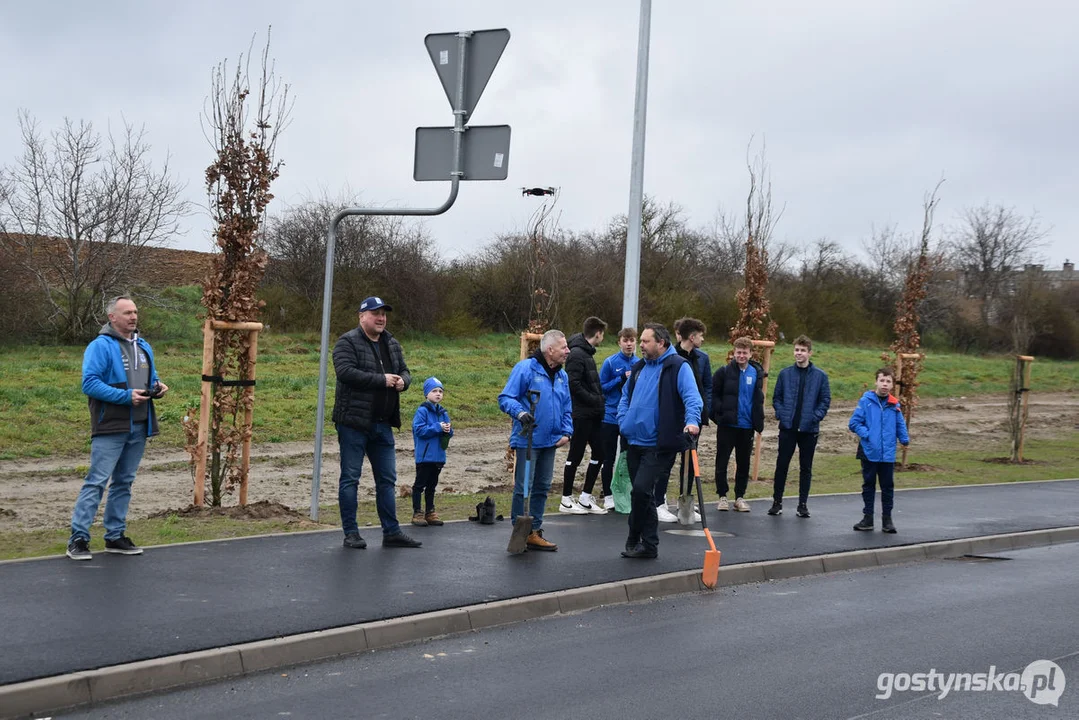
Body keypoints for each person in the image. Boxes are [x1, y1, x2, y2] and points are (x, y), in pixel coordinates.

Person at [66, 296, 168, 561]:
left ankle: (115, 536)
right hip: (110, 424)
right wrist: (125, 397)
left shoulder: (144, 346)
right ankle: (78, 538)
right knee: (97, 481)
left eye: (135, 312)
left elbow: (150, 377)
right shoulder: (100, 346)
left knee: (124, 482)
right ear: (112, 317)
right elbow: (89, 384)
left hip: (139, 424)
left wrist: (157, 387)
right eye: (127, 313)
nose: (133, 317)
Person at [332, 296, 422, 549]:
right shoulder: (346, 342)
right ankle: (351, 533)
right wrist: (381, 380)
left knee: (387, 479)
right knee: (350, 478)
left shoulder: (391, 343)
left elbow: (405, 371)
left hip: (383, 424)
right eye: (375, 313)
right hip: (353, 423)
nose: (381, 318)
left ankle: (391, 531)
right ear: (362, 317)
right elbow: (345, 373)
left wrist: (404, 382)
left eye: (383, 313)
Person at [617, 324, 702, 559]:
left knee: (642, 490)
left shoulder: (678, 367)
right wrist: (623, 421)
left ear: (661, 343)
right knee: (643, 494)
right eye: (641, 341)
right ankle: (649, 545)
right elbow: (625, 397)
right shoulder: (639, 368)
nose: (640, 345)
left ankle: (635, 537)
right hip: (634, 440)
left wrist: (692, 422)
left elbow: (692, 398)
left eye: (645, 341)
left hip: (659, 443)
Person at [498, 329, 574, 551]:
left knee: (542, 486)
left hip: (551, 441)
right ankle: (521, 530)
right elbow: (505, 398)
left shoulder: (562, 375)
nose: (568, 351)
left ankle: (535, 529)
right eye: (564, 347)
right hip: (528, 439)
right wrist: (521, 414)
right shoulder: (526, 369)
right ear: (550, 350)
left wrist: (567, 432)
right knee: (524, 487)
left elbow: (567, 407)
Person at [768, 335, 831, 518]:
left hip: (809, 430)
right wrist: (781, 414)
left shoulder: (820, 376)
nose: (799, 353)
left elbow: (824, 400)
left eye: (803, 350)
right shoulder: (785, 374)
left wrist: (815, 417)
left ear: (809, 353)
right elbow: (777, 398)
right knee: (782, 465)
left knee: (806, 467)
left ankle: (802, 504)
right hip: (788, 428)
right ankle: (777, 502)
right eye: (796, 350)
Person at [849, 368, 910, 534]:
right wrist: (867, 435)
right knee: (868, 485)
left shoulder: (894, 404)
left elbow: (899, 424)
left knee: (887, 486)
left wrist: (904, 438)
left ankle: (887, 520)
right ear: (876, 382)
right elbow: (854, 423)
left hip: (887, 453)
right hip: (869, 450)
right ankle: (867, 518)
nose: (885, 384)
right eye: (882, 380)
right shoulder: (866, 401)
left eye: (888, 381)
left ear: (892, 385)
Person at [663, 317, 712, 523]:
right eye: (700, 335)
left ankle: (686, 501)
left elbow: (705, 387)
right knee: (667, 459)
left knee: (690, 462)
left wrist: (703, 410)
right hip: (675, 417)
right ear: (692, 337)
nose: (702, 339)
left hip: (695, 418)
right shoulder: (671, 357)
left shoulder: (701, 358)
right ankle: (660, 502)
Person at [560, 316, 609, 515]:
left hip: (594, 414)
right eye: (602, 334)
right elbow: (574, 384)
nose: (602, 337)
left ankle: (585, 497)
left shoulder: (586, 353)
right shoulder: (577, 354)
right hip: (581, 414)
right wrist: (594, 399)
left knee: (600, 452)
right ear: (597, 334)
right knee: (576, 454)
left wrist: (598, 402)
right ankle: (565, 498)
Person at [710, 336, 765, 512]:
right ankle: (722, 496)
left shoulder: (756, 373)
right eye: (738, 352)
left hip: (746, 426)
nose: (741, 355)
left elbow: (757, 399)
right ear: (733, 353)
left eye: (744, 353)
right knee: (722, 462)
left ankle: (740, 497)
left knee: (743, 463)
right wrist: (720, 416)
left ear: (750, 354)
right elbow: (713, 396)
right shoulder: (723, 372)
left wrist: (758, 420)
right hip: (727, 426)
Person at [597, 327, 638, 510]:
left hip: (630, 419)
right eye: (625, 340)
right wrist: (621, 378)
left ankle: (627, 492)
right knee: (609, 458)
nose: (629, 344)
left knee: (629, 457)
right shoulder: (610, 362)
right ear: (619, 342)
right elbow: (601, 387)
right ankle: (607, 496)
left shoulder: (640, 363)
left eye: (632, 340)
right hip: (610, 417)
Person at [411, 377, 453, 527]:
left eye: (440, 391)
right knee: (419, 485)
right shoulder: (422, 411)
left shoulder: (443, 412)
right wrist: (437, 427)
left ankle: (430, 511)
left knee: (432, 485)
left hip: (438, 456)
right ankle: (417, 512)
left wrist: (448, 430)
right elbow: (420, 430)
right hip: (425, 457)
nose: (438, 394)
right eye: (434, 391)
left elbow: (449, 430)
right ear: (426, 394)